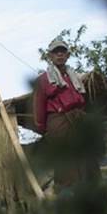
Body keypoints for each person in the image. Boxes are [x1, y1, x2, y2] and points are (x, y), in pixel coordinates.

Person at [34, 39, 99, 191]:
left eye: (62, 52)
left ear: (68, 55)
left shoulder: (74, 78)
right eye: (56, 52)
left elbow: (83, 101)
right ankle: (66, 201)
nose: (59, 55)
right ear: (50, 56)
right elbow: (38, 108)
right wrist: (45, 130)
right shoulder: (43, 79)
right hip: (59, 122)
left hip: (79, 119)